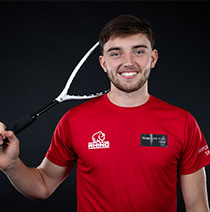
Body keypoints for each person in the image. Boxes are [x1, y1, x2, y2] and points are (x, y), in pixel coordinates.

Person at [0, 15, 210, 212]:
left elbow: (197, 207)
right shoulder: (74, 120)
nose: (128, 62)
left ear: (153, 58)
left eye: (138, 51)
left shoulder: (183, 122)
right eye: (116, 53)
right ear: (103, 63)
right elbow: (42, 186)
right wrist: (10, 164)